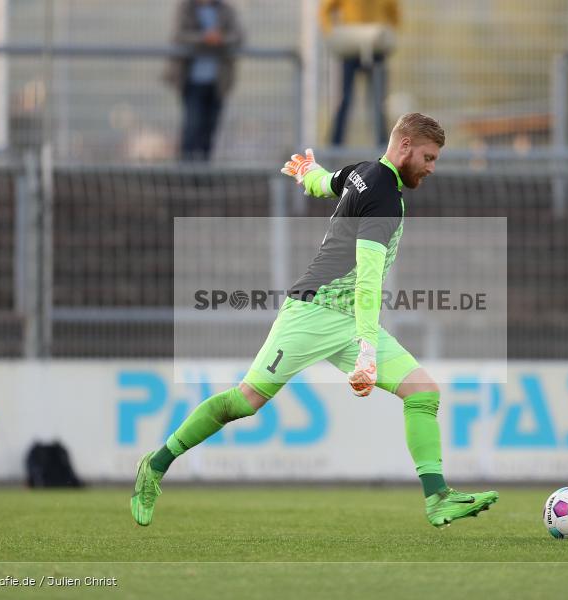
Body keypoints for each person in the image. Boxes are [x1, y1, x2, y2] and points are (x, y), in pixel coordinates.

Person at [131, 113, 499, 528]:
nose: (432, 167)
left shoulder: (364, 172)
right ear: (406, 146)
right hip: (313, 311)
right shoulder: (382, 194)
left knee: (423, 393)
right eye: (429, 157)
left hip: (345, 318)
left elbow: (326, 183)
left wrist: (307, 172)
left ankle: (438, 498)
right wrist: (366, 352)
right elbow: (367, 279)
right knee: (244, 402)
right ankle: (156, 465)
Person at [164, 0, 244, 161]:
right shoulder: (186, 8)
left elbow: (238, 36)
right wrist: (204, 38)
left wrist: (220, 39)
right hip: (192, 82)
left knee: (209, 130)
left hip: (218, 82)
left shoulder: (226, 10)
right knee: (192, 128)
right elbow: (179, 35)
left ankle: (203, 174)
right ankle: (186, 172)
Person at [321, 0, 399, 147]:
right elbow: (325, 10)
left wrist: (388, 37)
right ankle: (335, 145)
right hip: (352, 47)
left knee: (378, 101)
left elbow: (395, 14)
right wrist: (330, 31)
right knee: (345, 99)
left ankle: (382, 146)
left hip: (377, 49)